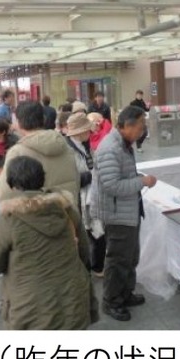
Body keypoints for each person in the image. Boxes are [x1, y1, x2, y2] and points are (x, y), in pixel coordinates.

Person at [0, 155, 97, 330]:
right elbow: (84, 254)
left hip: (29, 309)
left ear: (11, 183)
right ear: (42, 178)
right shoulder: (66, 210)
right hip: (73, 301)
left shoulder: (8, 218)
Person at [90, 105, 157, 321]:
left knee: (130, 256)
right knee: (118, 259)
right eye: (140, 126)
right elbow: (112, 185)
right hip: (116, 213)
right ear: (127, 126)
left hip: (127, 209)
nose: (142, 131)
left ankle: (125, 293)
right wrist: (141, 181)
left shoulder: (124, 144)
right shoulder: (110, 148)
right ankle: (111, 301)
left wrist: (137, 179)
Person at [0, 101, 79, 204]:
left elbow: (2, 194)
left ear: (19, 123)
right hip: (67, 209)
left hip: (35, 211)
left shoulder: (17, 152)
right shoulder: (65, 146)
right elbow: (76, 181)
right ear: (43, 119)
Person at [65, 113, 106, 277]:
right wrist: (92, 175)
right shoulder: (67, 150)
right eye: (88, 130)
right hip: (79, 198)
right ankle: (90, 267)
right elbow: (71, 178)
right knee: (86, 234)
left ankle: (96, 266)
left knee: (95, 231)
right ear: (80, 132)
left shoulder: (84, 145)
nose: (90, 132)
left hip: (90, 195)